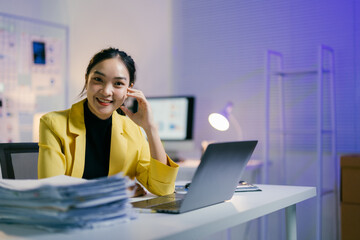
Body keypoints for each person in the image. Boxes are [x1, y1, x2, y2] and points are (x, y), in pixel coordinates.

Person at [38, 47, 179, 196]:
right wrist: (116, 191)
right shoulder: (53, 124)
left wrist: (150, 129)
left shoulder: (132, 129)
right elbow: (51, 190)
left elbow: (163, 189)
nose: (106, 91)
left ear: (128, 89)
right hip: (71, 216)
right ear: (87, 80)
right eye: (98, 80)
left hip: (117, 217)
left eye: (118, 83)